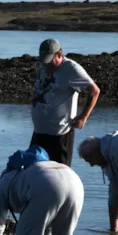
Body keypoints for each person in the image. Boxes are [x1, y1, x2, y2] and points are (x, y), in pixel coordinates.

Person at [30, 38, 100, 166]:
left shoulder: (71, 70)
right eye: (43, 61)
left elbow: (94, 91)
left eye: (49, 61)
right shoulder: (43, 65)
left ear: (60, 55)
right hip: (39, 132)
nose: (46, 65)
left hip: (59, 135)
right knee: (32, 171)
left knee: (59, 176)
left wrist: (83, 117)